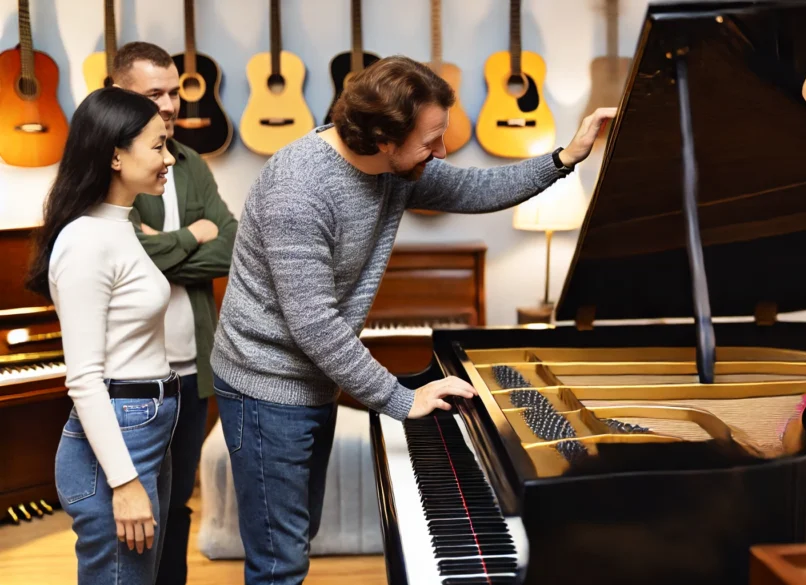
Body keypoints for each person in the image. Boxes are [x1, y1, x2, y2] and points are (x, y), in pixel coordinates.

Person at [210, 54, 615, 584]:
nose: (441, 152)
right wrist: (402, 398)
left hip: (310, 382)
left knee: (295, 534)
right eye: (431, 141)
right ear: (383, 139)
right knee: (278, 561)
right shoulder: (299, 188)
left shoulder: (395, 167)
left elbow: (475, 190)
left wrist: (566, 156)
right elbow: (315, 325)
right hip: (264, 387)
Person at [24, 86, 179, 584]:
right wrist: (125, 482)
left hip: (146, 427)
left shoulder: (119, 225)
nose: (169, 158)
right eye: (157, 146)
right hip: (120, 438)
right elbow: (85, 378)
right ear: (115, 153)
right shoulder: (85, 240)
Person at [111, 41, 238, 585]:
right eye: (153, 93)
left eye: (173, 92)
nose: (168, 105)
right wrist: (191, 236)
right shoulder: (106, 170)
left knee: (177, 502)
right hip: (132, 381)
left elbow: (232, 246)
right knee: (133, 514)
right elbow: (120, 256)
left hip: (192, 371)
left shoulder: (188, 164)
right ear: (118, 95)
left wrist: (158, 247)